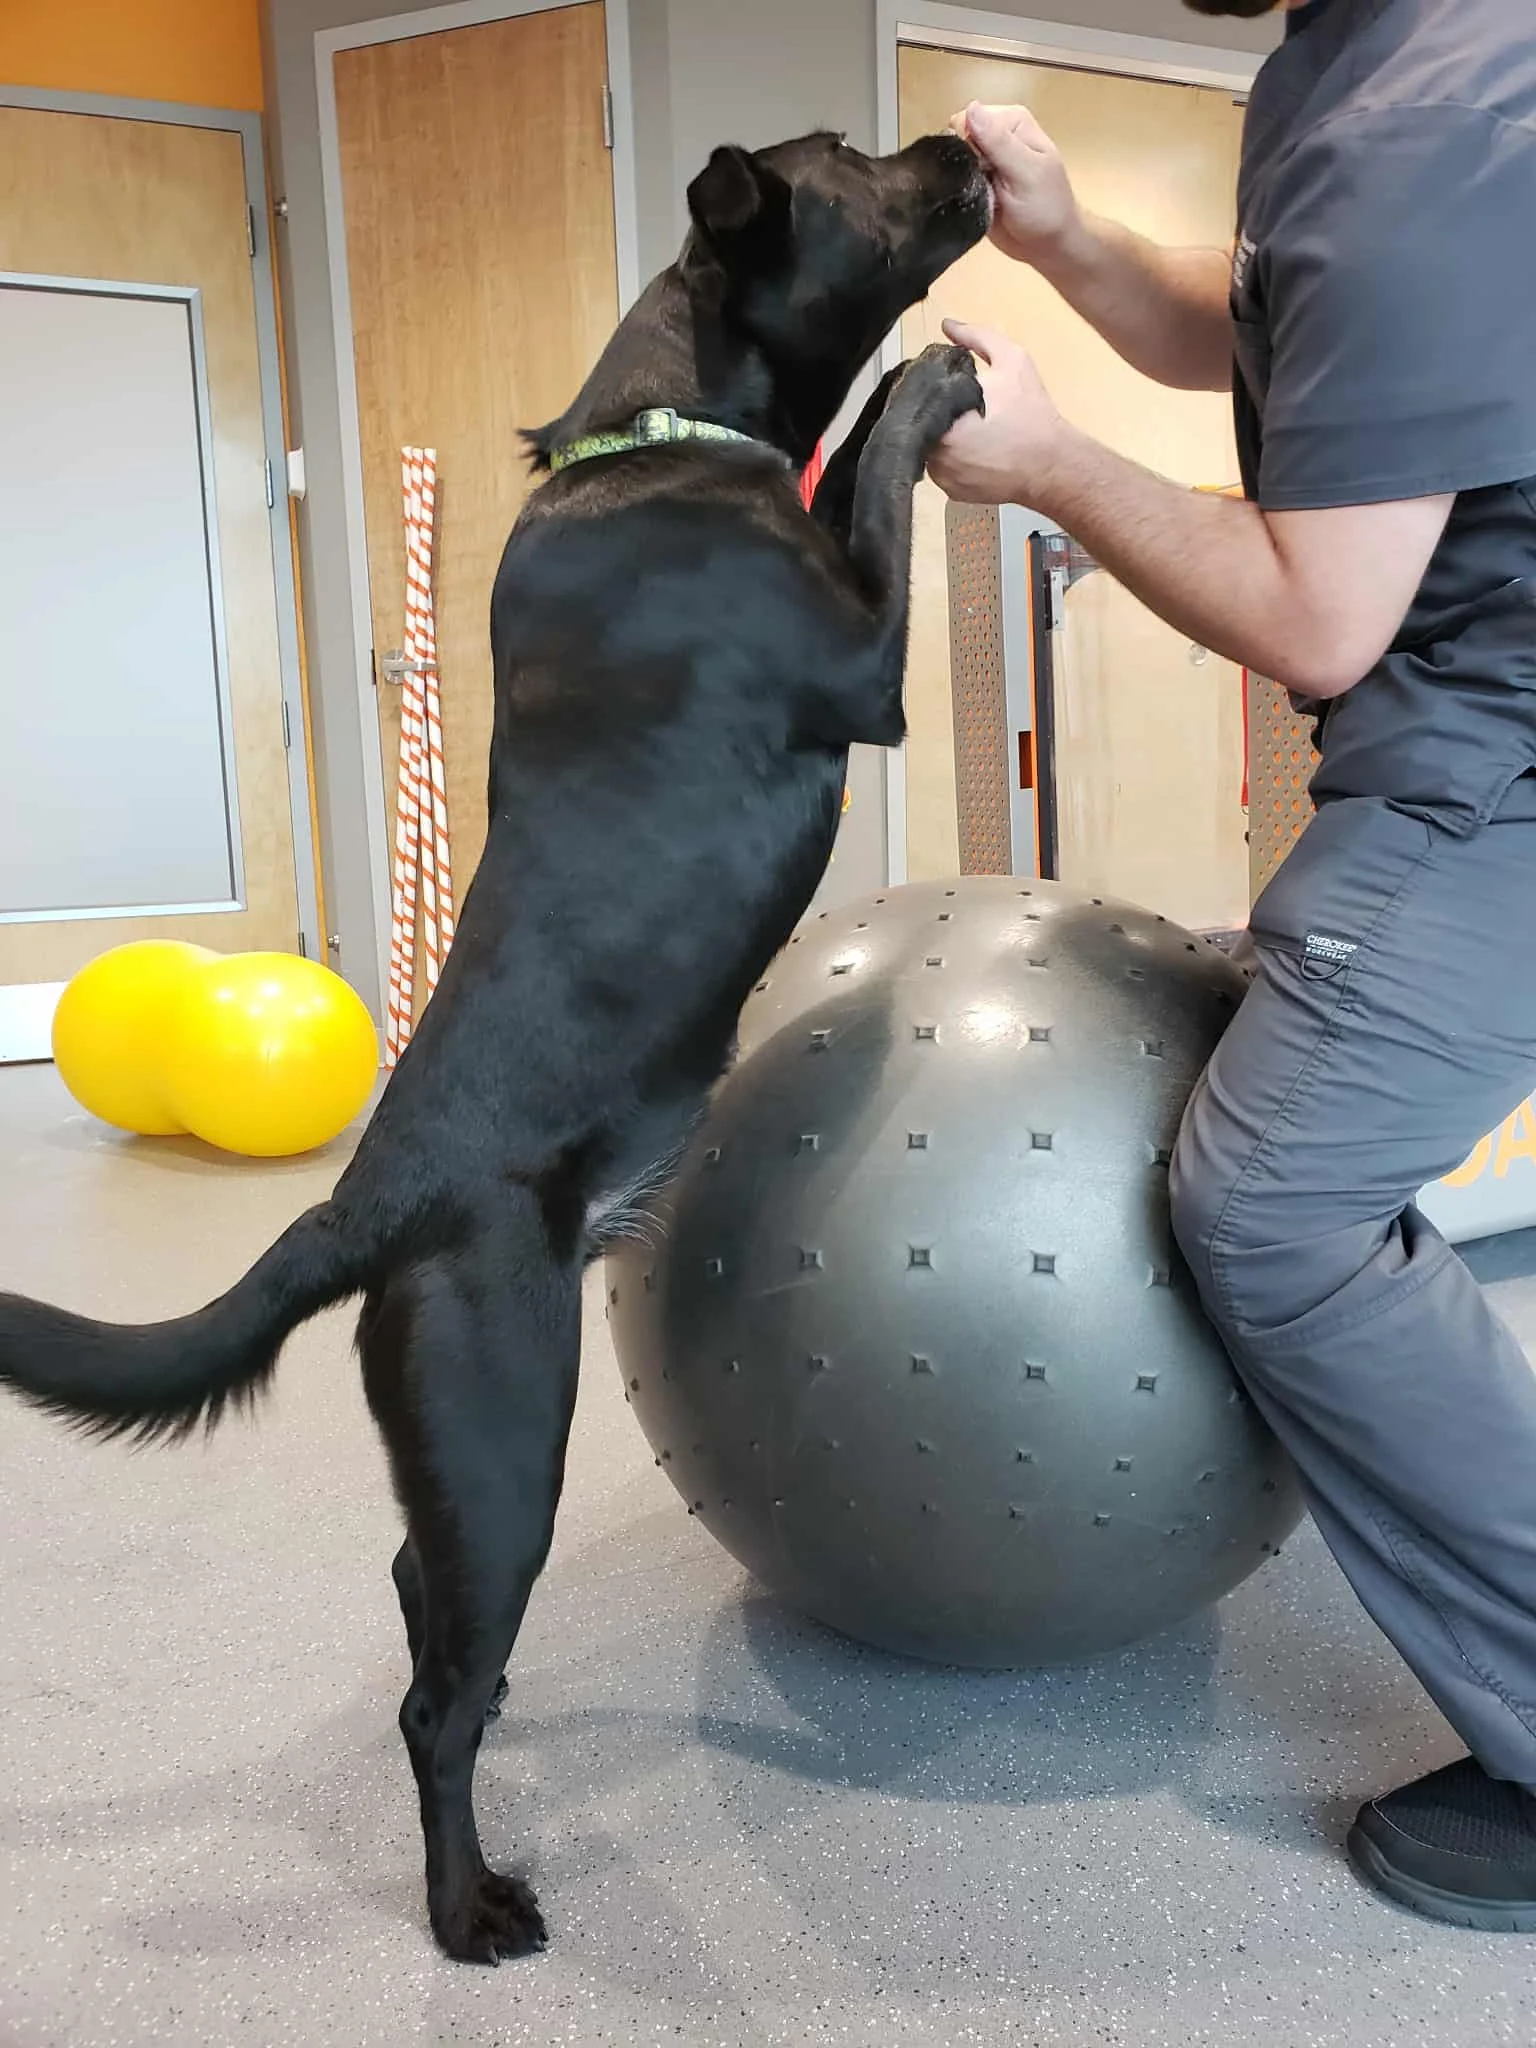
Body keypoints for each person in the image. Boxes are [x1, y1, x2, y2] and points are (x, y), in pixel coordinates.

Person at [928, 0, 1536, 1931]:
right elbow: (1270, 310)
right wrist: (1078, 243)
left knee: (1273, 1198)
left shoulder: (1436, 116)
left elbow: (1319, 612)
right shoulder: (1356, 57)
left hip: (1502, 745)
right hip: (1469, 711)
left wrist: (1052, 468)